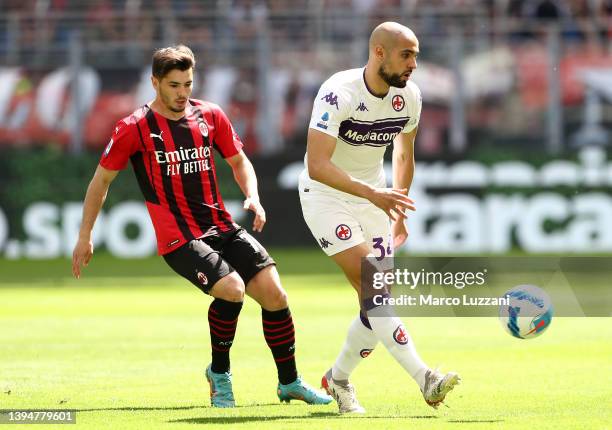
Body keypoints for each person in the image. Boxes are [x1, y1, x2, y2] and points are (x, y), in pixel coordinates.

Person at [72, 45, 331, 408]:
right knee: (232, 289)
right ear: (155, 82)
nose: (182, 93)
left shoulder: (210, 115)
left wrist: (253, 197)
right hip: (179, 238)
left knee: (276, 296)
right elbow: (100, 182)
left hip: (221, 226)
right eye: (174, 85)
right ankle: (220, 376)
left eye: (188, 84)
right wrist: (85, 237)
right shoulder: (134, 128)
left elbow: (239, 161)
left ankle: (289, 382)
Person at [299, 22, 460, 414]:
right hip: (327, 197)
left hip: (378, 200)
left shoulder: (411, 97)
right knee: (377, 292)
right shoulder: (339, 93)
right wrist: (374, 194)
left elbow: (404, 155)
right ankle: (426, 379)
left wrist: (398, 209)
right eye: (407, 55)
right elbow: (318, 165)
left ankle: (336, 379)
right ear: (379, 53)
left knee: (374, 304)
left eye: (416, 56)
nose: (414, 65)